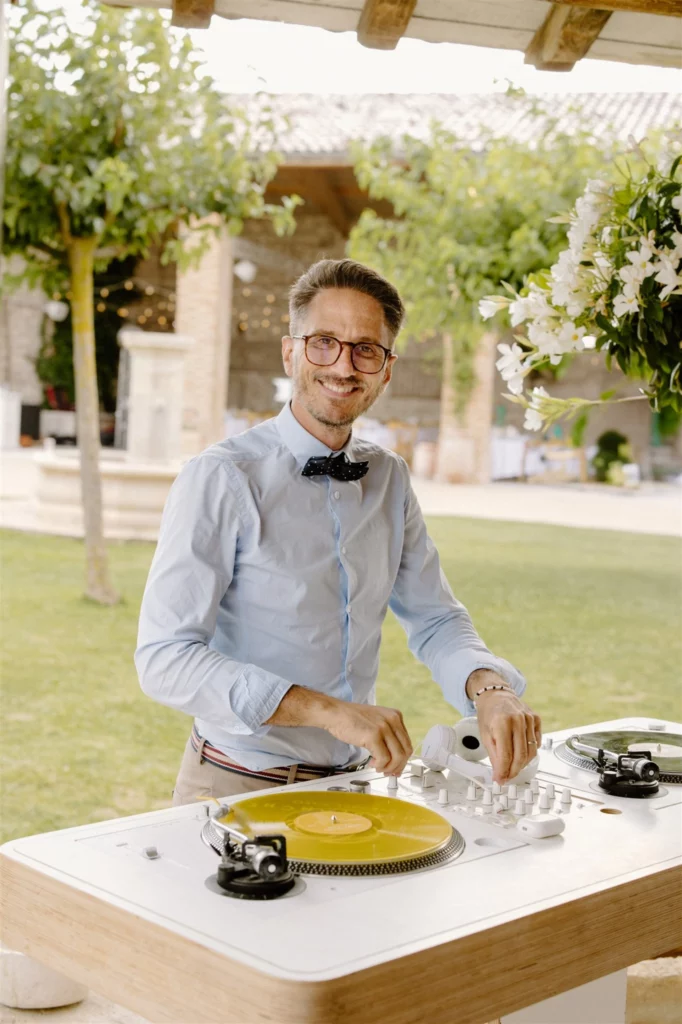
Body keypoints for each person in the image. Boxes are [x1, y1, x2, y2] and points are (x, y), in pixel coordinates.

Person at [135, 258, 541, 806]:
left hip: (352, 787)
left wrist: (490, 690)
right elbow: (165, 657)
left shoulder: (390, 479)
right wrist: (327, 711)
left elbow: (436, 618)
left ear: (386, 368)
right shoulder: (221, 476)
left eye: (365, 349)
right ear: (291, 351)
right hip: (233, 787)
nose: (343, 366)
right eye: (324, 341)